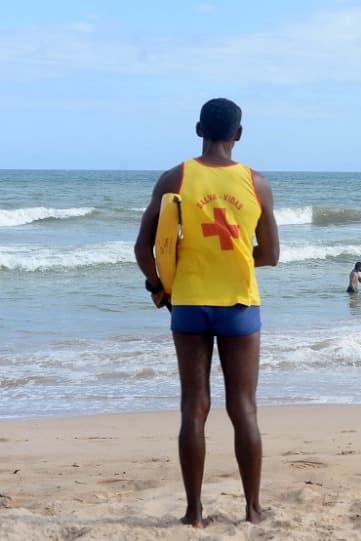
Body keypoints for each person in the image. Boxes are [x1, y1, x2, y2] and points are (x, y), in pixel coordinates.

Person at [133, 98, 279, 528]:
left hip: (189, 304)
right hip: (237, 303)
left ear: (199, 129)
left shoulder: (174, 176)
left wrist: (158, 286)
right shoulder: (258, 182)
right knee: (244, 408)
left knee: (193, 407)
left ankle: (193, 514)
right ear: (239, 134)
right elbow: (270, 255)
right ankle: (252, 510)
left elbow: (144, 247)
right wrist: (233, 255)